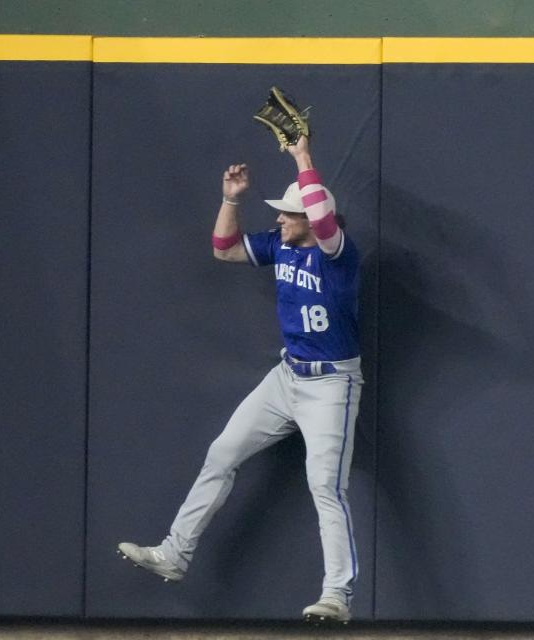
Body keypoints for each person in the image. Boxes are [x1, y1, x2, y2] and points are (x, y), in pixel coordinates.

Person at [118, 134, 363, 624]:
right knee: (221, 454)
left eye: (288, 214)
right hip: (287, 375)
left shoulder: (337, 254)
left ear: (311, 221)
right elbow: (224, 249)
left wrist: (302, 157)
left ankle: (336, 594)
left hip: (331, 385)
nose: (278, 219)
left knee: (325, 487)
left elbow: (320, 216)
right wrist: (231, 200)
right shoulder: (281, 246)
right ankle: (175, 553)